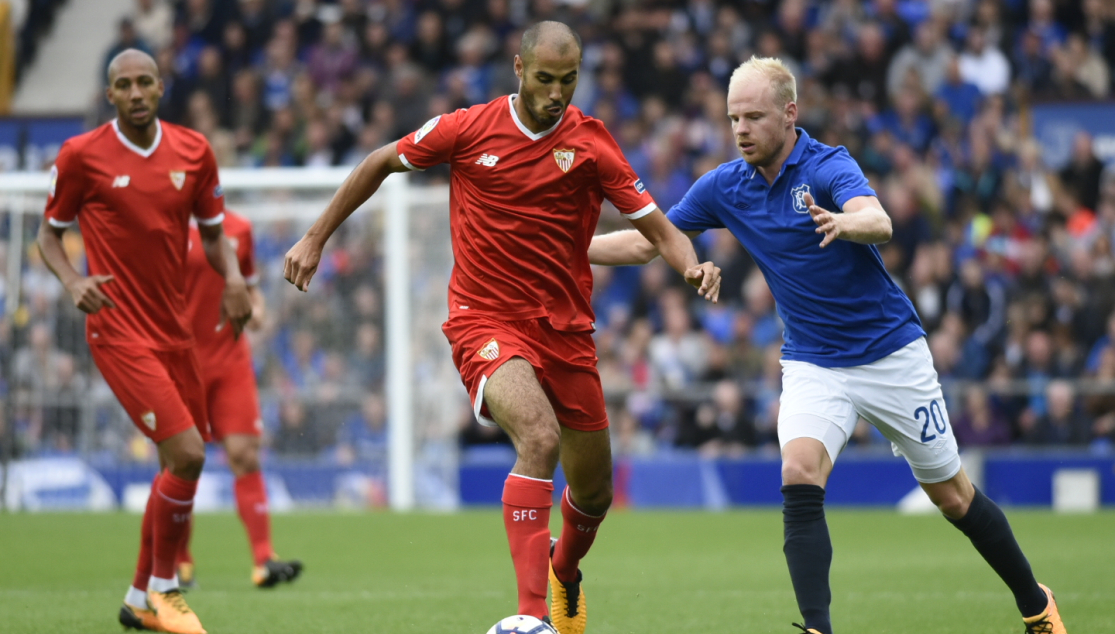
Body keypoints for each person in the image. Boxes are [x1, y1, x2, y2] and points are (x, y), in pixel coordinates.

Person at [587, 56, 1067, 634]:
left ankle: (1035, 605)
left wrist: (843, 223)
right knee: (798, 470)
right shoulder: (724, 186)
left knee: (954, 498)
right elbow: (647, 244)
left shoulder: (827, 165)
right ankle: (818, 628)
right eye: (733, 117)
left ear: (790, 114)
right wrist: (566, 246)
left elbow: (880, 219)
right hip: (813, 361)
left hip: (891, 354)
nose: (741, 129)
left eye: (754, 117)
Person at [284, 21, 720, 634]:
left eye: (568, 81)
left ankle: (563, 572)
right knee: (537, 439)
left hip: (566, 333)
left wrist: (692, 265)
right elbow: (381, 160)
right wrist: (314, 236)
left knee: (593, 494)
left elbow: (655, 227)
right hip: (483, 320)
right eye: (545, 79)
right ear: (518, 70)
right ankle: (530, 617)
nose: (556, 93)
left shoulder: (592, 145)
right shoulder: (466, 128)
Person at [37, 49, 252, 634]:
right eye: (123, 85)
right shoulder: (81, 156)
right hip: (117, 330)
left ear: (161, 88)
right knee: (188, 454)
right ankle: (165, 590)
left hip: (176, 333)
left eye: (144, 82)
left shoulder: (193, 151)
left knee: (174, 465)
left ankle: (136, 598)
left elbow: (214, 235)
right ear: (110, 95)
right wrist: (74, 279)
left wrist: (234, 279)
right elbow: (48, 235)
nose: (135, 92)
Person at [175, 209, 303, 589]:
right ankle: (180, 563)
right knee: (182, 462)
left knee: (245, 454)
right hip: (182, 362)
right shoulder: (167, 224)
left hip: (230, 360)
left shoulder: (239, 228)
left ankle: (264, 560)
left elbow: (249, 287)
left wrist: (258, 311)